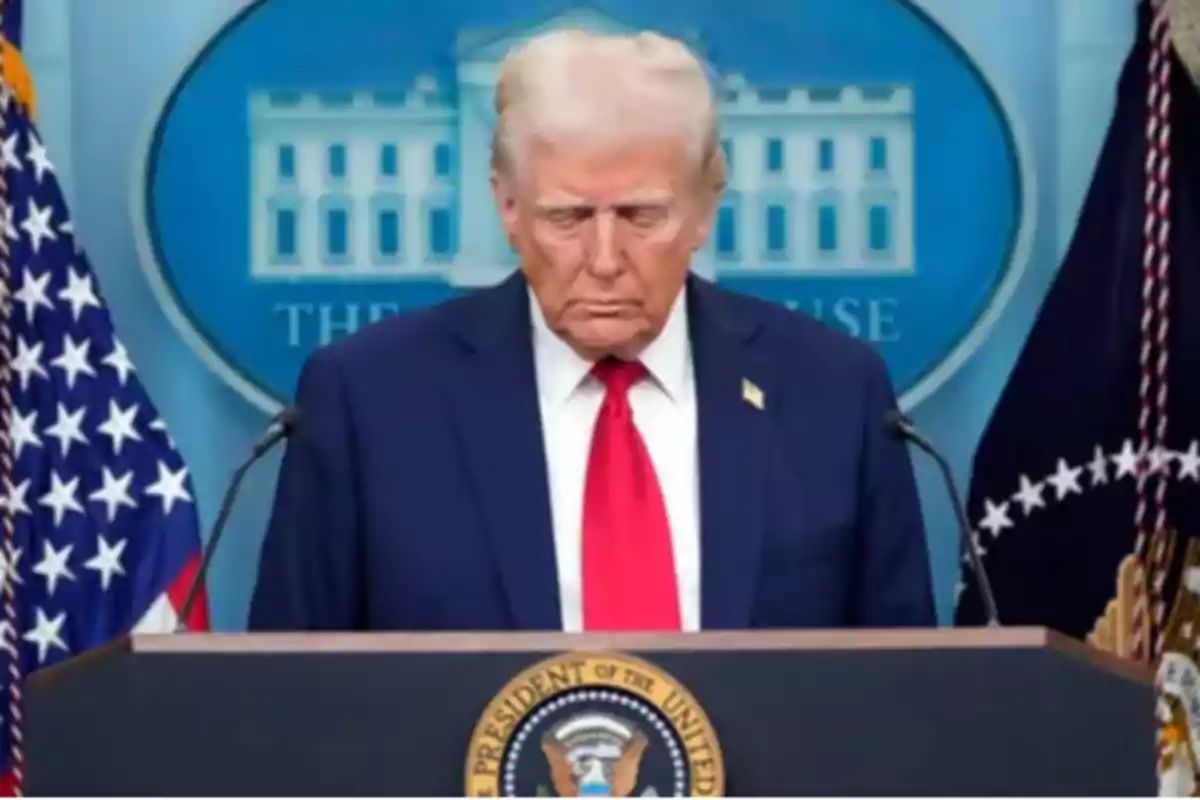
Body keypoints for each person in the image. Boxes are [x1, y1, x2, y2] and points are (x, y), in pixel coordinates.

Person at [247, 28, 935, 632]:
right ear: (507, 207)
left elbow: (904, 701)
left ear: (704, 210)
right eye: (568, 219)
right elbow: (290, 703)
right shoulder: (370, 401)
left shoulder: (835, 394)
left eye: (641, 216)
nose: (605, 262)